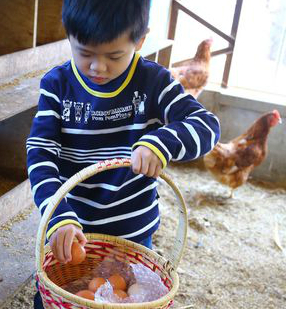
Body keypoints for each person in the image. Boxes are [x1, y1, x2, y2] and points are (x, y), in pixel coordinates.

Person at [27, 0, 220, 307]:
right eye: (84, 52)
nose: (97, 67)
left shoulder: (154, 82)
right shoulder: (57, 85)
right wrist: (58, 217)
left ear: (140, 40)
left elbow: (207, 126)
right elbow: (41, 155)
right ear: (69, 37)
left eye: (114, 55)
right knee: (56, 299)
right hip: (73, 228)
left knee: (126, 298)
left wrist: (161, 142)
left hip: (132, 235)